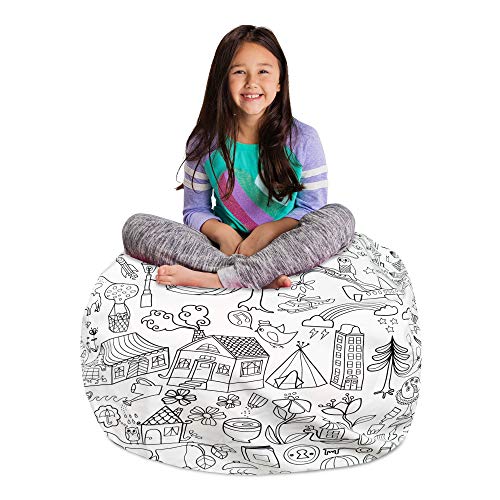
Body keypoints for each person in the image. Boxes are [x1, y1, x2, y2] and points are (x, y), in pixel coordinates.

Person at [122, 25, 355, 290]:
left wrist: (267, 232)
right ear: (223, 81)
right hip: (225, 248)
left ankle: (217, 279)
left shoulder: (303, 139)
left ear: (280, 81)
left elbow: (312, 210)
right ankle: (251, 275)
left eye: (263, 71)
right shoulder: (204, 142)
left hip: (284, 246)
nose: (251, 82)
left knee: (339, 216)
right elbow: (194, 211)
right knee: (135, 226)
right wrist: (223, 234)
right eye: (239, 72)